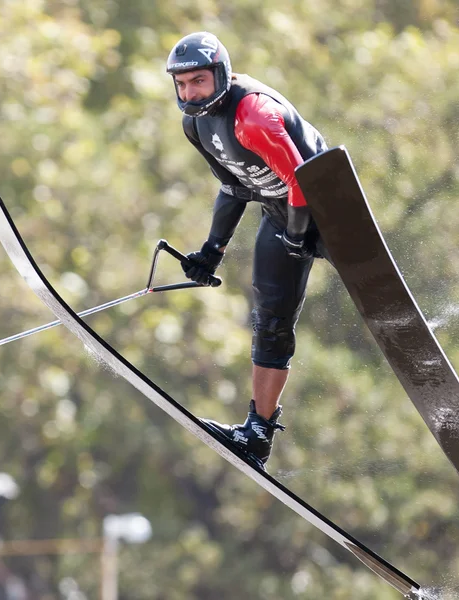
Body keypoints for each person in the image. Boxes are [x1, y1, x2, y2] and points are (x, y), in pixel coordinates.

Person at [166, 31, 329, 469]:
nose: (189, 92)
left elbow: (300, 181)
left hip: (330, 212)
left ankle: (416, 332)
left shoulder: (253, 115)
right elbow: (233, 188)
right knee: (270, 323)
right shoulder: (196, 125)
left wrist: (299, 235)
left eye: (198, 81)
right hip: (281, 217)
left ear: (220, 74)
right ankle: (257, 433)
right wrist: (210, 251)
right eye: (181, 84)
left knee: (371, 295)